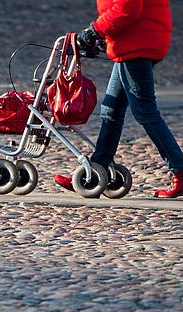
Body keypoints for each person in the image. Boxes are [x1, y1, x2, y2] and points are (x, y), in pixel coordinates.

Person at [54, 0, 183, 198]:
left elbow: (127, 8)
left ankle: (180, 170)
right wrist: (104, 34)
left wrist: (94, 31)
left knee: (146, 112)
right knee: (111, 110)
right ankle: (97, 170)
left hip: (135, 43)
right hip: (137, 40)